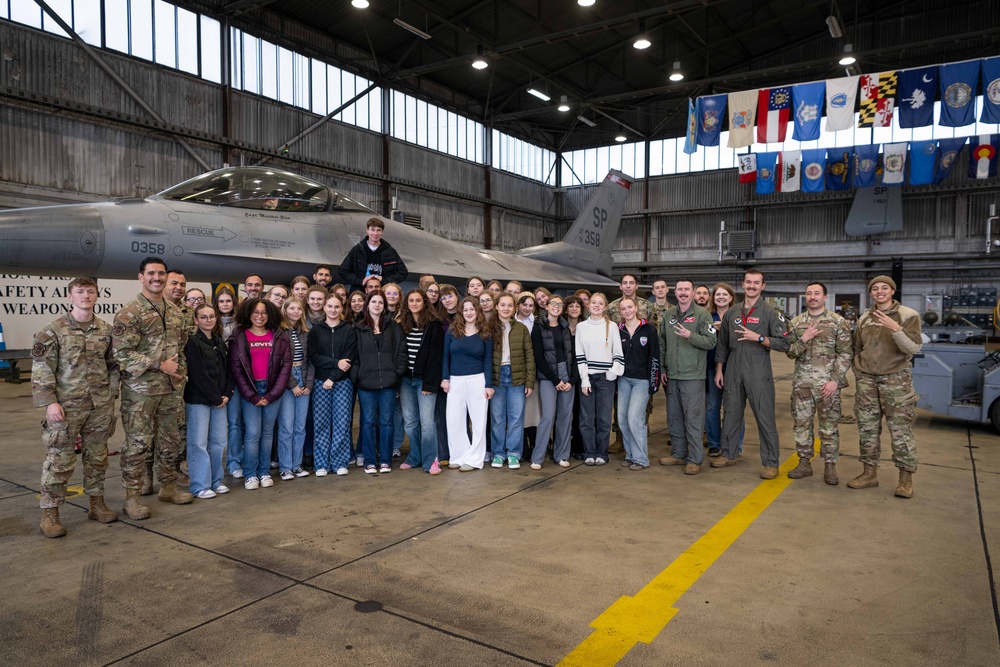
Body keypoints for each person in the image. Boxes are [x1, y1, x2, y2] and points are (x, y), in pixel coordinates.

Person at [33, 277, 120, 537]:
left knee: (97, 457)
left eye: (90, 291)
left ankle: (96, 504)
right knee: (60, 460)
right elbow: (42, 370)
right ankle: (50, 513)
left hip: (99, 406)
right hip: (66, 408)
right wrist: (50, 402)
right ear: (70, 296)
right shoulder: (53, 331)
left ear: (96, 295)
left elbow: (114, 365)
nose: (85, 296)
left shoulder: (106, 330)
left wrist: (110, 393)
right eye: (80, 292)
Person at [113, 257, 192, 519]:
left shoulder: (174, 311)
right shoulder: (130, 313)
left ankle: (167, 487)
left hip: (170, 390)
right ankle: (132, 498)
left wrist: (180, 376)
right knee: (138, 445)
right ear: (141, 277)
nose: (156, 278)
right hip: (141, 392)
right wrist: (159, 365)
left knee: (170, 442)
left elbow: (180, 349)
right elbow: (121, 353)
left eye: (161, 274)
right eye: (151, 273)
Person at [847, 276, 922, 498]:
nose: (879, 291)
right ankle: (869, 474)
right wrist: (859, 369)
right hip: (867, 381)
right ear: (871, 293)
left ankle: (905, 479)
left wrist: (896, 328)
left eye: (884, 288)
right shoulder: (864, 318)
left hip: (896, 380)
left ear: (892, 291)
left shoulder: (908, 315)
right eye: (875, 288)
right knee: (867, 429)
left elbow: (914, 347)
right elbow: (857, 347)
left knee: (900, 431)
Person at [711, 270, 790, 479]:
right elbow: (722, 345)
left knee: (765, 417)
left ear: (762, 286)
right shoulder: (732, 313)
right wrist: (720, 370)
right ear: (743, 284)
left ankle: (771, 462)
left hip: (758, 368)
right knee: (730, 413)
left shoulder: (771, 313)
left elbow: (784, 343)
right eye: (748, 282)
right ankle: (729, 454)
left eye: (756, 283)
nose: (752, 286)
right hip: (734, 366)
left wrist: (760, 338)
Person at [785, 282, 853, 485]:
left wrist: (835, 380)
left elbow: (846, 353)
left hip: (828, 386)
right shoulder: (796, 323)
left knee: (829, 427)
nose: (812, 296)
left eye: (817, 293)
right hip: (802, 385)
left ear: (825, 297)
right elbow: (790, 352)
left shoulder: (837, 322)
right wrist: (803, 339)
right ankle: (804, 463)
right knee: (801, 425)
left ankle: (830, 466)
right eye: (809, 293)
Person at [229, 298, 291, 490]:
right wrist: (253, 396)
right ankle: (250, 474)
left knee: (266, 434)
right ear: (248, 314)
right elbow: (237, 370)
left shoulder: (279, 336)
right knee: (253, 433)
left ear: (270, 314)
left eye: (264, 312)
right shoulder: (239, 336)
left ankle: (264, 472)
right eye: (255, 312)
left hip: (273, 390)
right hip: (251, 390)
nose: (259, 316)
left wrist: (273, 394)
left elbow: (285, 366)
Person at [657, 280, 716, 475]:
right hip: (672, 375)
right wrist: (663, 368)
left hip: (693, 375)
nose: (683, 293)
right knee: (674, 417)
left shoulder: (702, 315)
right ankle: (678, 453)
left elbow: (710, 341)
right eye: (680, 289)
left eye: (686, 290)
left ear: (692, 292)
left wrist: (690, 335)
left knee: (693, 418)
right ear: (676, 292)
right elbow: (662, 343)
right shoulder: (669, 315)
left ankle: (695, 459)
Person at [352, 290, 408, 474]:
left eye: (380, 302)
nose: (377, 305)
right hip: (366, 383)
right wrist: (358, 375)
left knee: (387, 422)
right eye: (373, 301)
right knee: (367, 422)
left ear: (385, 306)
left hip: (388, 383)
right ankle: (369, 460)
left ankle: (385, 460)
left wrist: (397, 374)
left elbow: (401, 352)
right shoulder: (358, 327)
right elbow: (353, 355)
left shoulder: (394, 327)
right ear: (367, 304)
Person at [183, 304, 234, 500]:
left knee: (219, 442)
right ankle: (199, 485)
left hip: (220, 400)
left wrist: (227, 393)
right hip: (200, 401)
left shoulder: (219, 342)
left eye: (211, 316)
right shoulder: (193, 343)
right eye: (203, 317)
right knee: (198, 443)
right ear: (196, 320)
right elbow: (198, 374)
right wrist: (215, 397)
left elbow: (228, 370)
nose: (208, 320)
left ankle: (215, 481)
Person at [442, 298, 494, 471]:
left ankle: (474, 459)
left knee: (479, 422)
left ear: (477, 311)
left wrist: (488, 384)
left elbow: (488, 360)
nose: (469, 312)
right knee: (454, 420)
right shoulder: (452, 331)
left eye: (472, 309)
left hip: (477, 380)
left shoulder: (485, 333)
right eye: (465, 310)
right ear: (461, 312)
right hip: (455, 380)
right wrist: (445, 378)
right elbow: (445, 357)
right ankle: (458, 456)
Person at [308, 293, 357, 477]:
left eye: (337, 307)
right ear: (324, 308)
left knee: (342, 423)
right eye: (330, 306)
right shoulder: (316, 330)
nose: (333, 310)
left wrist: (333, 377)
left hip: (342, 383)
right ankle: (321, 463)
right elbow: (315, 357)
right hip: (321, 382)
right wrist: (335, 364)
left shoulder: (349, 330)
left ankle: (339, 461)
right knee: (320, 423)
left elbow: (348, 359)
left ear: (342, 309)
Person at [397, 289, 444, 475]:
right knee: (410, 422)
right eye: (411, 300)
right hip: (406, 380)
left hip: (426, 381)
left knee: (427, 423)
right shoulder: (401, 325)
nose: (415, 303)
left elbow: (436, 358)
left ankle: (431, 460)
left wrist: (430, 384)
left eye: (418, 300)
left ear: (424, 302)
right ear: (406, 303)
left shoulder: (434, 326)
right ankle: (415, 456)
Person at [576, 293, 624, 465]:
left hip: (606, 378)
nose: (596, 305)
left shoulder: (611, 327)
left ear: (605, 307)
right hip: (588, 377)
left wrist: (612, 373)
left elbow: (618, 353)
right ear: (588, 306)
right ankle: (589, 452)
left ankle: (602, 453)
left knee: (603, 418)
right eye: (593, 302)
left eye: (600, 303)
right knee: (587, 419)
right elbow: (579, 355)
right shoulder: (581, 327)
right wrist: (584, 379)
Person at [490, 294, 535, 469]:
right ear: (497, 307)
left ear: (514, 308)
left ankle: (514, 453)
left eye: (510, 305)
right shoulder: (489, 328)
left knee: (516, 417)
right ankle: (498, 453)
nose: (506, 308)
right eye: (503, 305)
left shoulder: (521, 328)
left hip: (517, 376)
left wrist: (529, 382)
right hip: (497, 376)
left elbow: (529, 356)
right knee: (497, 418)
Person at [531, 294, 576, 469]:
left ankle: (561, 454)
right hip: (548, 377)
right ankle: (538, 457)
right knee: (548, 416)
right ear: (547, 306)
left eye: (559, 304)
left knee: (565, 417)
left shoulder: (566, 327)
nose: (556, 306)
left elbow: (572, 355)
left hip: (566, 374)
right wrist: (555, 379)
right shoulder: (538, 327)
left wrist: (571, 379)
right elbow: (539, 357)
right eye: (553, 303)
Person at [617, 297, 660, 471]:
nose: (627, 311)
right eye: (623, 308)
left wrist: (653, 381)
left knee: (635, 418)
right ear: (620, 312)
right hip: (623, 379)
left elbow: (655, 356)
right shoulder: (618, 330)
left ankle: (641, 459)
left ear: (636, 308)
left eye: (629, 307)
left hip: (642, 380)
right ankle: (630, 455)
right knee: (622, 419)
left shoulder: (648, 329)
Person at [276, 297, 314, 480]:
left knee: (300, 427)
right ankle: (285, 467)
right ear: (285, 310)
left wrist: (307, 384)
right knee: (287, 427)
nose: (296, 312)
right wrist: (293, 385)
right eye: (292, 308)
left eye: (299, 309)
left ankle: (297, 465)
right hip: (286, 381)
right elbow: (280, 362)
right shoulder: (279, 332)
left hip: (304, 378)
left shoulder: (305, 332)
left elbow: (311, 360)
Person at [705, 283, 743, 458]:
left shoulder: (738, 316)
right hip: (712, 367)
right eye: (717, 294)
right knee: (712, 407)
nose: (720, 297)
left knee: (734, 407)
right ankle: (714, 443)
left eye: (724, 294)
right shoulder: (706, 316)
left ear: (730, 297)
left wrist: (727, 330)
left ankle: (735, 444)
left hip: (734, 367)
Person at [213, 287, 244, 476]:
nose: (225, 304)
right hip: (218, 380)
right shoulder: (211, 323)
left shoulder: (241, 325)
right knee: (217, 427)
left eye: (228, 301)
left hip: (238, 379)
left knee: (235, 423)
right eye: (221, 301)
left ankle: (235, 462)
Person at [339, 217, 409, 293]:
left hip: (382, 294)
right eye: (372, 230)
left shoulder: (389, 251)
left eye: (378, 230)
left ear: (382, 232)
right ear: (367, 230)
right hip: (360, 294)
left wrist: (384, 281)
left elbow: (403, 272)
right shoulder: (357, 250)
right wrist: (360, 281)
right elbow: (343, 271)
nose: (375, 233)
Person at [564, 295, 587, 459]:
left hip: (582, 375)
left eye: (577, 306)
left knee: (580, 411)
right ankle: (564, 445)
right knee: (565, 412)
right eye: (571, 306)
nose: (574, 308)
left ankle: (579, 446)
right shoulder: (561, 327)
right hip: (565, 375)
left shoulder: (585, 328)